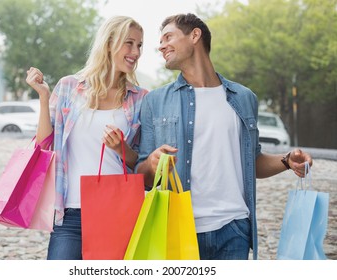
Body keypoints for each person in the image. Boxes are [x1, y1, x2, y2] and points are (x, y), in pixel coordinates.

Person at [136, 13, 313, 260]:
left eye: (168, 37)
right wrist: (152, 164)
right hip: (177, 228)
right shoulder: (155, 101)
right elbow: (141, 175)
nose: (161, 45)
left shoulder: (244, 98)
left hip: (234, 227)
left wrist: (286, 161)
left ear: (194, 35)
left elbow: (252, 161)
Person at [26, 16, 148, 260]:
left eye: (140, 45)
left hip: (119, 211)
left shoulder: (141, 98)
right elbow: (44, 143)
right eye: (129, 43)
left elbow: (141, 163)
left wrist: (121, 148)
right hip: (70, 211)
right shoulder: (69, 87)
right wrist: (43, 96)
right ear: (109, 43)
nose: (136, 52)